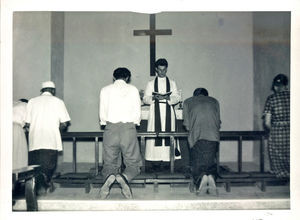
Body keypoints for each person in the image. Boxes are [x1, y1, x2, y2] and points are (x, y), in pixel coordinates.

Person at [99, 67, 142, 199]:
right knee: (133, 163)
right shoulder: (133, 89)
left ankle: (110, 176)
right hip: (128, 129)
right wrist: (135, 123)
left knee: (109, 163)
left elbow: (102, 112)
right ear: (128, 78)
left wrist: (104, 122)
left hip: (110, 128)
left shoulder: (105, 90)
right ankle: (124, 177)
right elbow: (137, 111)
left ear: (113, 77)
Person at [25, 81, 71, 195]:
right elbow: (65, 123)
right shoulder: (58, 102)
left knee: (34, 164)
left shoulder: (32, 101)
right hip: (50, 138)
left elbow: (27, 123)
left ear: (42, 90)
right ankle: (45, 185)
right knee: (49, 164)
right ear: (53, 91)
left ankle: (36, 187)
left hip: (34, 139)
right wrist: (56, 129)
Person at [143, 58, 181, 172]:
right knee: (155, 135)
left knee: (169, 134)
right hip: (155, 112)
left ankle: (168, 162)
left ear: (167, 69)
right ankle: (154, 161)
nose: (162, 72)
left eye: (164, 70)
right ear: (156, 69)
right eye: (160, 70)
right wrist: (154, 98)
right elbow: (145, 98)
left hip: (168, 110)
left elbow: (177, 97)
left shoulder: (172, 83)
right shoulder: (150, 84)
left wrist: (168, 97)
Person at [183, 88, 221, 196]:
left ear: (195, 95)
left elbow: (187, 124)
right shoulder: (214, 101)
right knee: (210, 159)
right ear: (207, 95)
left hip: (197, 135)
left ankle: (202, 179)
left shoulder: (188, 101)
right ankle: (211, 177)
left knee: (197, 161)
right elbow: (218, 122)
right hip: (213, 135)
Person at [263, 74, 290, 179]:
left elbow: (267, 122)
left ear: (275, 86)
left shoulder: (272, 99)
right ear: (286, 85)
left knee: (277, 154)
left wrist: (272, 130)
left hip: (278, 130)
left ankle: (281, 174)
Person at [13, 99, 28, 170]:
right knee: (19, 153)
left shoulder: (14, 104)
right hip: (16, 128)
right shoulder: (26, 105)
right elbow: (28, 123)